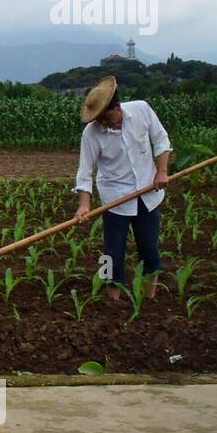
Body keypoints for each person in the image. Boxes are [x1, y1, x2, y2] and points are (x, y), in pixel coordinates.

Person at [73, 76, 171, 300]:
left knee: (149, 249)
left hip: (148, 194)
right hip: (115, 198)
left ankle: (150, 299)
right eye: (100, 121)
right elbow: (85, 171)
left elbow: (161, 139)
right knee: (112, 254)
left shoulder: (141, 110)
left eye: (108, 119)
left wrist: (162, 171)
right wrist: (84, 205)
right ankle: (112, 302)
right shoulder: (91, 133)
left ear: (117, 106)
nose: (106, 124)